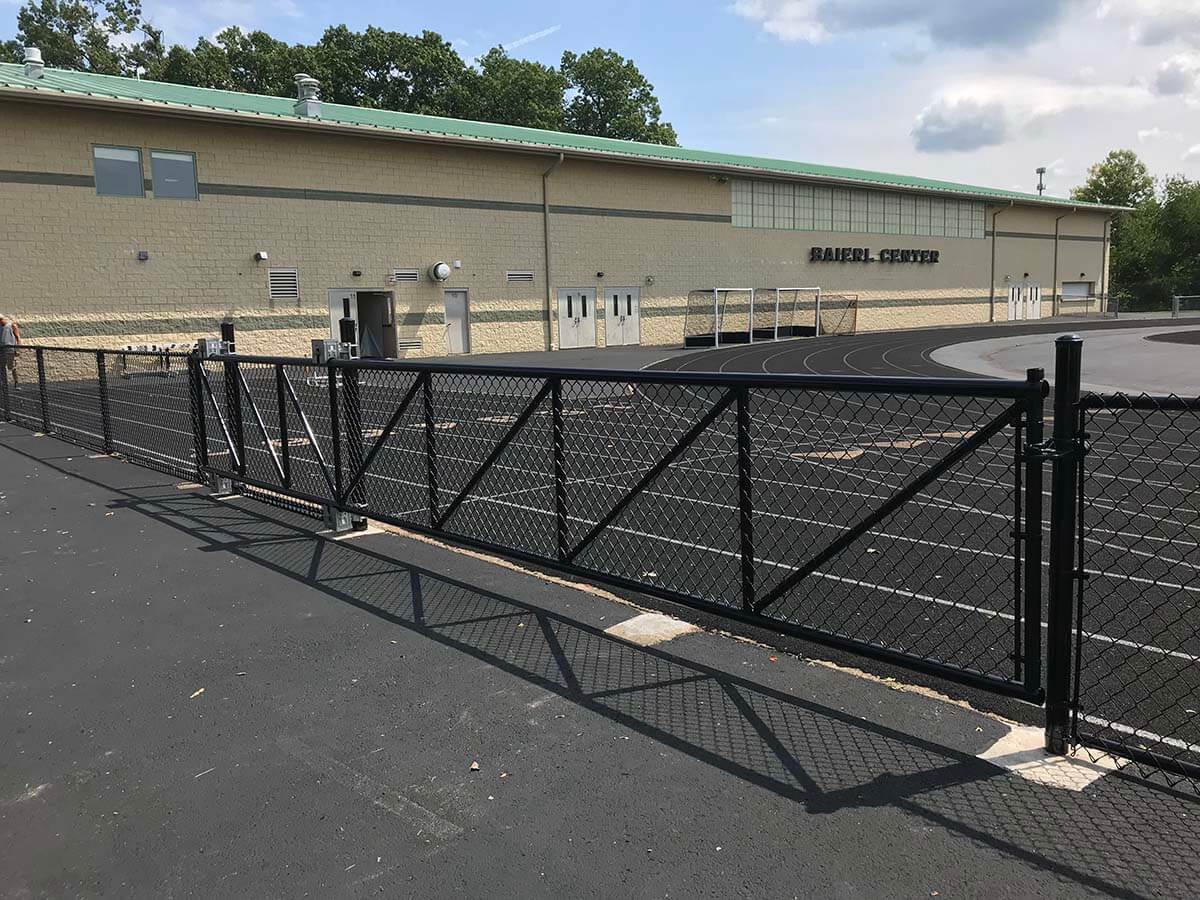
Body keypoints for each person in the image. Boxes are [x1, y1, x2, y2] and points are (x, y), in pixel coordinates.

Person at [0, 314, 21, 385]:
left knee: (12, 367)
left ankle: (16, 382)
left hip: (10, 350)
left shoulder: (12, 325)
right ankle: (4, 383)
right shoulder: (1, 327)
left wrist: (17, 349)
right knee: (2, 367)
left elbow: (18, 338)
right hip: (2, 350)